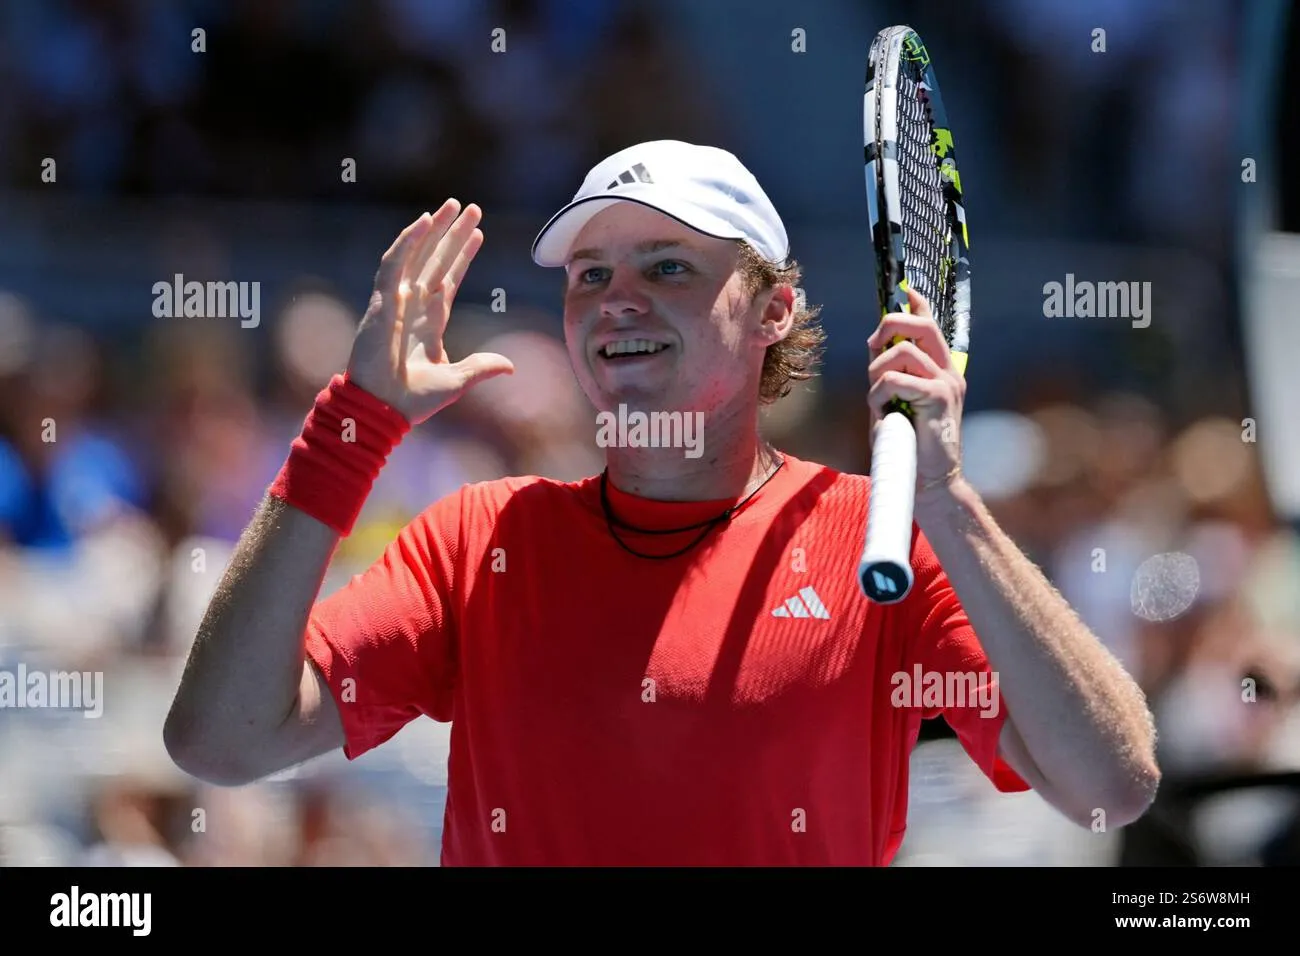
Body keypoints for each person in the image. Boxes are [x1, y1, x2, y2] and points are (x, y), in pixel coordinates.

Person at [163, 140, 1160, 866]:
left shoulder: (880, 539)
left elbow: (1110, 787)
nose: (614, 300)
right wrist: (354, 423)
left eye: (666, 267)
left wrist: (947, 501)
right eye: (590, 275)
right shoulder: (480, 538)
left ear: (772, 310)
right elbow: (220, 740)